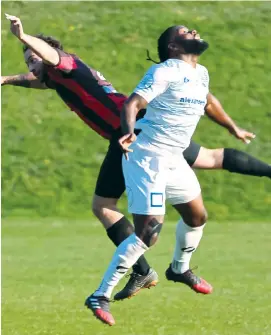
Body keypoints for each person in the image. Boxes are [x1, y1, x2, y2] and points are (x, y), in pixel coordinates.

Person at [3, 15, 270, 306]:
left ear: (47, 53)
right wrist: (7, 79)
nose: (31, 64)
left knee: (104, 206)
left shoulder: (67, 65)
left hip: (131, 133)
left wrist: (22, 36)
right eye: (28, 61)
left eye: (34, 57)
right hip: (139, 130)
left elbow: (52, 57)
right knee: (209, 157)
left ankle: (140, 272)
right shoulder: (58, 78)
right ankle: (161, 268)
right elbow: (37, 80)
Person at [84, 25, 261, 326]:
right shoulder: (165, 71)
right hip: (148, 157)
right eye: (184, 32)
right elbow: (133, 103)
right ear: (173, 47)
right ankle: (100, 295)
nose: (193, 30)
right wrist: (128, 132)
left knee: (197, 216)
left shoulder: (200, 72)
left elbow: (208, 102)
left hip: (175, 158)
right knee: (148, 233)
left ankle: (179, 269)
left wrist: (232, 128)